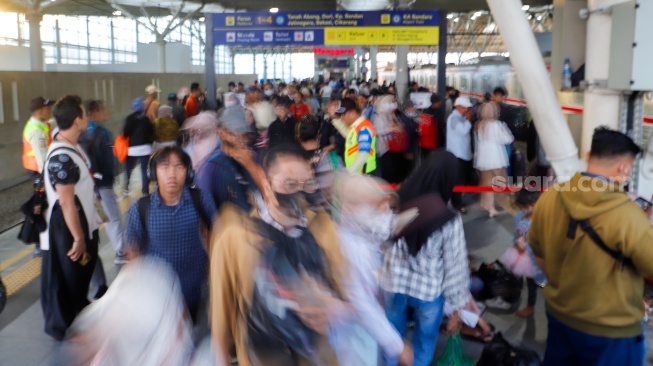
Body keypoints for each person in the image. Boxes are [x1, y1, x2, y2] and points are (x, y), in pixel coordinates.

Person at [210, 144, 349, 366]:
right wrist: (221, 357)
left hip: (316, 355)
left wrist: (336, 308)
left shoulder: (323, 228)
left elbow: (346, 288)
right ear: (266, 184)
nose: (299, 191)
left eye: (306, 184)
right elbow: (221, 306)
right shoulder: (236, 236)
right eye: (290, 183)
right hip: (261, 356)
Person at [529, 127, 653, 366]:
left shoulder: (551, 196)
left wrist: (564, 285)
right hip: (612, 331)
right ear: (624, 168)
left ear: (587, 156)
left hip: (559, 315)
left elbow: (537, 251)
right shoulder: (626, 214)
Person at [380, 150, 470, 366]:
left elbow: (381, 236)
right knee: (425, 341)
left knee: (391, 336)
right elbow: (455, 265)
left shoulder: (397, 200)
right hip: (428, 292)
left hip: (394, 283)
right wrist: (456, 306)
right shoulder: (449, 218)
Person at [329, 174, 414, 366]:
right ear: (351, 208)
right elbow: (361, 303)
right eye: (376, 206)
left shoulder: (361, 234)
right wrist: (396, 346)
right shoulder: (350, 248)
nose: (384, 213)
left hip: (366, 329)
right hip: (352, 336)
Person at [126, 146, 217, 321]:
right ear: (154, 173)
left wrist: (213, 268)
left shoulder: (201, 199)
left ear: (188, 172)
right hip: (159, 291)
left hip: (195, 286)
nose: (172, 174)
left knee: (191, 327)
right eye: (164, 167)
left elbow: (216, 234)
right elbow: (133, 248)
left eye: (178, 167)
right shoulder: (141, 208)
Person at [40, 95, 101, 340]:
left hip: (81, 221)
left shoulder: (73, 145)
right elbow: (66, 201)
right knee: (69, 274)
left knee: (77, 274)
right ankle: (65, 325)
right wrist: (78, 238)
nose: (87, 117)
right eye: (85, 114)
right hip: (67, 228)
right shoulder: (61, 156)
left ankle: (76, 316)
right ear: (77, 120)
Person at [78, 100, 126, 265]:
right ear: (94, 112)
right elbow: (108, 161)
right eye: (103, 109)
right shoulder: (102, 133)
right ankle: (121, 251)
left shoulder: (80, 133)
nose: (106, 111)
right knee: (113, 218)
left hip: (86, 185)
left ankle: (85, 255)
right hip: (103, 184)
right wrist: (109, 180)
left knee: (89, 221)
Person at [195, 107, 260, 212]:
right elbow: (205, 209)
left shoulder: (253, 157)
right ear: (220, 132)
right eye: (234, 133)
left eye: (244, 134)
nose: (241, 139)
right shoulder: (212, 167)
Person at [22, 96, 56, 256]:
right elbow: (42, 159)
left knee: (41, 204)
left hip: (37, 172)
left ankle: (40, 241)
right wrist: (48, 178)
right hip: (39, 173)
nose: (50, 110)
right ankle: (37, 242)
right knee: (40, 205)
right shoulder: (36, 130)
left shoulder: (40, 125)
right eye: (48, 108)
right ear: (41, 111)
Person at [474, 102, 514, 217]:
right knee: (499, 182)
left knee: (487, 184)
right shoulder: (497, 125)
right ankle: (498, 205)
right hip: (496, 159)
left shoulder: (479, 125)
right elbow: (508, 139)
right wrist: (504, 129)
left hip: (483, 159)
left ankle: (488, 206)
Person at [512, 188, 545, 318]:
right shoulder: (518, 217)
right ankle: (528, 305)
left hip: (539, 259)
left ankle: (531, 306)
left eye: (530, 206)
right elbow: (516, 235)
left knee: (535, 282)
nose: (526, 210)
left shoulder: (544, 219)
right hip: (523, 258)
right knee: (524, 280)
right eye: (523, 207)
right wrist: (517, 244)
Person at [335, 98, 377, 175]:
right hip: (357, 175)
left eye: (343, 115)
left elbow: (363, 155)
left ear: (353, 114)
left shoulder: (364, 128)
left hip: (364, 175)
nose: (342, 118)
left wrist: (349, 174)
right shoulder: (355, 128)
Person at [446, 96, 473, 212]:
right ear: (457, 106)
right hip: (457, 155)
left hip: (462, 154)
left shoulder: (460, 117)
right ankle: (457, 203)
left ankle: (457, 200)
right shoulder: (453, 118)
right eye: (464, 107)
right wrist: (468, 120)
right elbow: (462, 131)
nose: (466, 110)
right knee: (458, 180)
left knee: (460, 179)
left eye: (467, 108)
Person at [122, 97, 154, 196]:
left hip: (132, 149)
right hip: (145, 148)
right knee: (144, 170)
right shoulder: (146, 119)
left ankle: (126, 188)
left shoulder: (129, 118)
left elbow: (125, 134)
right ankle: (145, 191)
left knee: (128, 168)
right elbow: (152, 132)